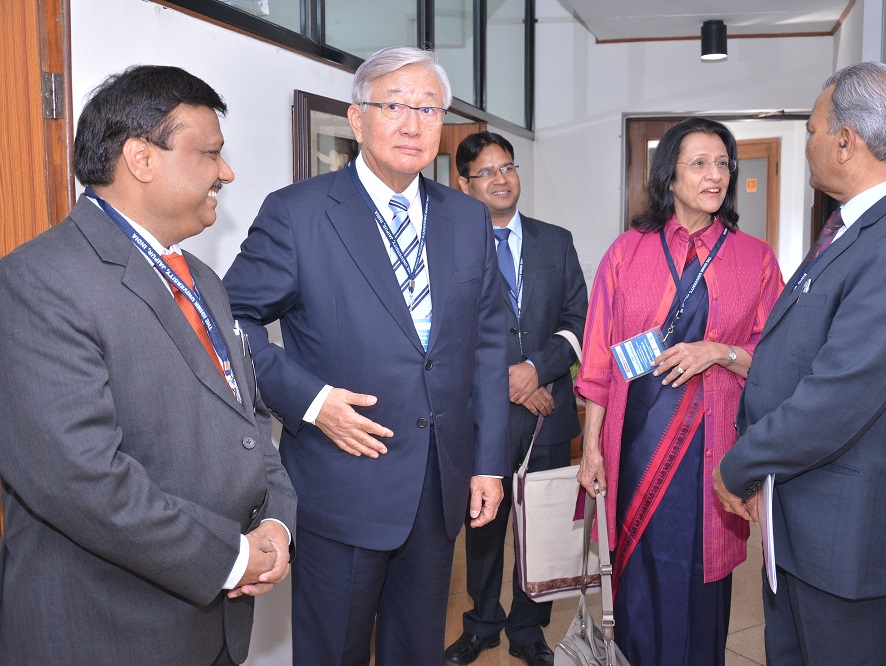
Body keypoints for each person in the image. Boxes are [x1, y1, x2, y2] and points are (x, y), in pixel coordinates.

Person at [0, 65, 296, 665]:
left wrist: (277, 524)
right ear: (140, 158)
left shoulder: (203, 280)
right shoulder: (39, 280)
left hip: (214, 628)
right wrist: (231, 557)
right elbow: (80, 478)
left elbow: (248, 420)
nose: (226, 172)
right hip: (109, 630)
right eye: (210, 153)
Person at [223, 47, 510, 665]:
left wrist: (488, 462)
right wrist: (311, 401)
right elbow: (228, 321)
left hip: (438, 484)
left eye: (428, 109)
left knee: (417, 650)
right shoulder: (298, 213)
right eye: (394, 106)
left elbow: (488, 347)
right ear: (357, 119)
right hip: (341, 481)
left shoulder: (466, 218)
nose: (413, 124)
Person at [713, 62, 886, 665]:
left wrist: (737, 466)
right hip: (806, 531)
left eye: (814, 131)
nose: (810, 144)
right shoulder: (856, 229)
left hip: (850, 551)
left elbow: (834, 401)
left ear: (846, 141)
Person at [575, 117, 784, 665]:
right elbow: (598, 362)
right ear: (668, 175)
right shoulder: (627, 252)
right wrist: (592, 446)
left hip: (712, 451)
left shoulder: (756, 259)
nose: (715, 176)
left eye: (723, 164)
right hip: (636, 444)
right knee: (641, 576)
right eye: (699, 164)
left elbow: (780, 358)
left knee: (700, 576)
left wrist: (719, 351)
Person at [443, 132, 588, 666]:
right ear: (464, 184)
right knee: (483, 525)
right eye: (486, 172)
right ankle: (482, 623)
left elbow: (579, 320)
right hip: (481, 417)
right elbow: (444, 331)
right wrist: (508, 383)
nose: (501, 179)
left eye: (507, 167)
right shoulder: (450, 246)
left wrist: (536, 371)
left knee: (541, 527)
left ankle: (529, 630)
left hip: (548, 414)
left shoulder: (556, 241)